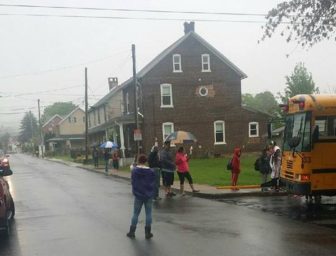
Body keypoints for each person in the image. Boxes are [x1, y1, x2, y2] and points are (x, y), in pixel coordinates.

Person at [126, 154, 155, 239]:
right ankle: (148, 233)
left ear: (139, 161)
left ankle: (132, 231)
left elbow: (131, 169)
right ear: (146, 161)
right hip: (148, 194)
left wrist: (134, 164)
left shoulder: (135, 170)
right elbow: (153, 182)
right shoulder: (151, 171)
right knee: (148, 213)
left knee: (135, 213)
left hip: (138, 194)